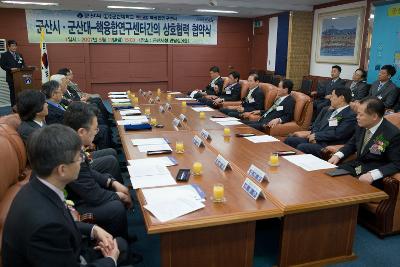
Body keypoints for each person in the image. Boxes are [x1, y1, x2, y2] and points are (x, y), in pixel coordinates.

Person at [2, 124, 129, 267]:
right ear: (62, 170)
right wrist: (110, 260)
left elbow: (64, 224)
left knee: (121, 246)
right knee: (119, 249)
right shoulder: (46, 226)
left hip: (67, 250)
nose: (83, 161)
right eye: (79, 157)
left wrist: (93, 230)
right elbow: (56, 227)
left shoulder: (38, 186)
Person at [63, 102, 132, 239]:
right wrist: (120, 196)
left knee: (110, 181)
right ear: (81, 132)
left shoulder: (71, 141)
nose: (97, 132)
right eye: (95, 129)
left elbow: (88, 172)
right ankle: (120, 250)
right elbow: (94, 196)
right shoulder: (71, 154)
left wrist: (111, 182)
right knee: (116, 207)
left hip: (76, 193)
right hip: (71, 204)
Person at [328, 97, 400, 188]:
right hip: (357, 167)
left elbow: (397, 163)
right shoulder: (362, 125)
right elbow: (352, 144)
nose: (357, 117)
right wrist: (338, 155)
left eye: (360, 114)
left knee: (344, 185)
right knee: (329, 174)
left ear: (374, 116)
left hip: (374, 175)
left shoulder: (392, 133)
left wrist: (373, 175)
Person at [285, 87, 356, 158]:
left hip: (328, 145)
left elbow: (338, 133)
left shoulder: (350, 115)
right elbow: (317, 125)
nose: (330, 99)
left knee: (302, 147)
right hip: (316, 140)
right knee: (290, 140)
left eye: (332, 96)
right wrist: (313, 135)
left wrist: (317, 136)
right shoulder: (331, 110)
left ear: (341, 98)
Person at [0, 40, 26, 107]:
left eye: (15, 46)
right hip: (11, 77)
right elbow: (2, 65)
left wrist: (26, 68)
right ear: (9, 47)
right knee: (13, 93)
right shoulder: (4, 55)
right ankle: (14, 106)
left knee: (21, 92)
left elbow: (23, 64)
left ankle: (21, 105)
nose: (15, 47)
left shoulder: (19, 55)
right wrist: (10, 69)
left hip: (20, 78)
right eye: (13, 46)